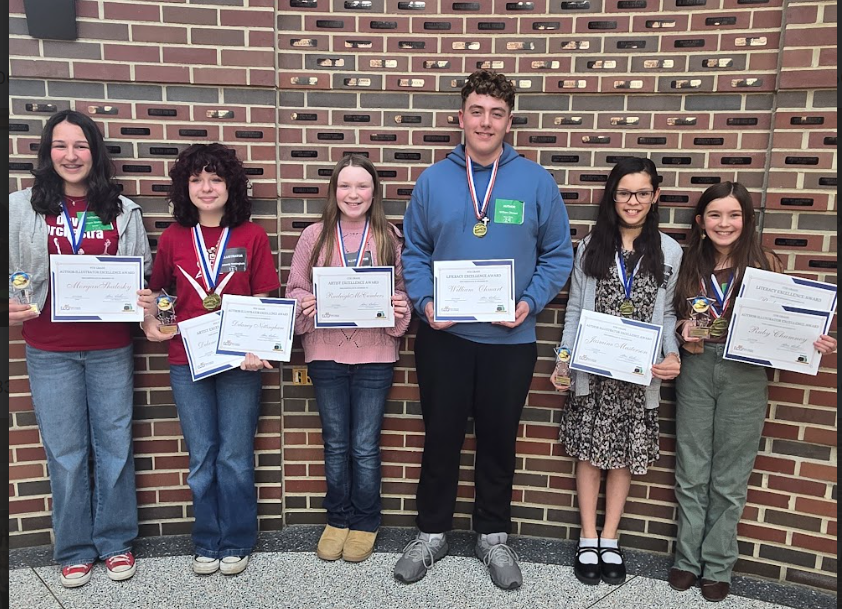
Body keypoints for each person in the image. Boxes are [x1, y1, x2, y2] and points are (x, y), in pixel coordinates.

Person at [395, 70, 574, 590]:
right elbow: (415, 251)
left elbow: (558, 254)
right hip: (445, 337)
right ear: (461, 117)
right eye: (477, 111)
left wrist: (529, 301)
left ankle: (493, 536)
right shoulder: (434, 181)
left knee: (498, 440)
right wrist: (426, 303)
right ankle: (431, 534)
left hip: (510, 340)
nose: (486, 122)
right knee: (441, 438)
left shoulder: (535, 181)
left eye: (497, 113)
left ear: (509, 121)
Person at [668, 182, 837, 602]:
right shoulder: (689, 264)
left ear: (747, 220)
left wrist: (810, 341)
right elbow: (672, 316)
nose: (725, 224)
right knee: (692, 470)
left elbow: (788, 325)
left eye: (734, 215)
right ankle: (687, 560)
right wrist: (682, 328)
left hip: (745, 375)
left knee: (730, 475)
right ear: (701, 222)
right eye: (715, 215)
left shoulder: (767, 266)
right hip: (697, 369)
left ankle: (718, 564)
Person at [8, 109, 152, 588]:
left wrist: (145, 299)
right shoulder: (20, 207)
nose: (71, 156)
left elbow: (143, 276)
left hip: (111, 346)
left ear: (96, 152)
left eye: (81, 146)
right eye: (61, 145)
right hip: (49, 348)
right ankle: (73, 548)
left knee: (114, 446)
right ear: (47, 152)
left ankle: (114, 542)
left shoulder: (122, 209)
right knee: (65, 452)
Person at [138, 143, 280, 577]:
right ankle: (206, 540)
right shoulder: (175, 238)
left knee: (234, 456)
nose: (206, 187)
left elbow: (263, 297)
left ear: (231, 186)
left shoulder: (251, 235)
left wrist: (258, 347)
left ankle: (236, 539)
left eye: (215, 178)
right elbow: (163, 293)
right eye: (197, 179)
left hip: (240, 364)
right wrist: (156, 321)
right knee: (202, 457)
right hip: (187, 360)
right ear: (185, 187)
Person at [551, 157, 683, 587]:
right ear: (613, 196)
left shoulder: (670, 251)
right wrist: (564, 358)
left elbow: (666, 313)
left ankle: (611, 537)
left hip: (638, 376)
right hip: (594, 372)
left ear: (656, 196)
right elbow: (574, 308)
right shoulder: (591, 246)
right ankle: (587, 536)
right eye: (625, 192)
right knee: (589, 454)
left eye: (643, 193)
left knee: (622, 456)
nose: (634, 201)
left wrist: (672, 354)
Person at [286, 155, 411, 563]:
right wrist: (305, 304)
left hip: (374, 355)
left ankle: (365, 521)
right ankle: (336, 518)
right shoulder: (315, 236)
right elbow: (295, 288)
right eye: (345, 186)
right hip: (325, 353)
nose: (353, 194)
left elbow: (405, 294)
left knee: (363, 445)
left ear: (374, 191)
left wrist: (398, 308)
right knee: (336, 443)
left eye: (361, 186)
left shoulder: (388, 236)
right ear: (333, 191)